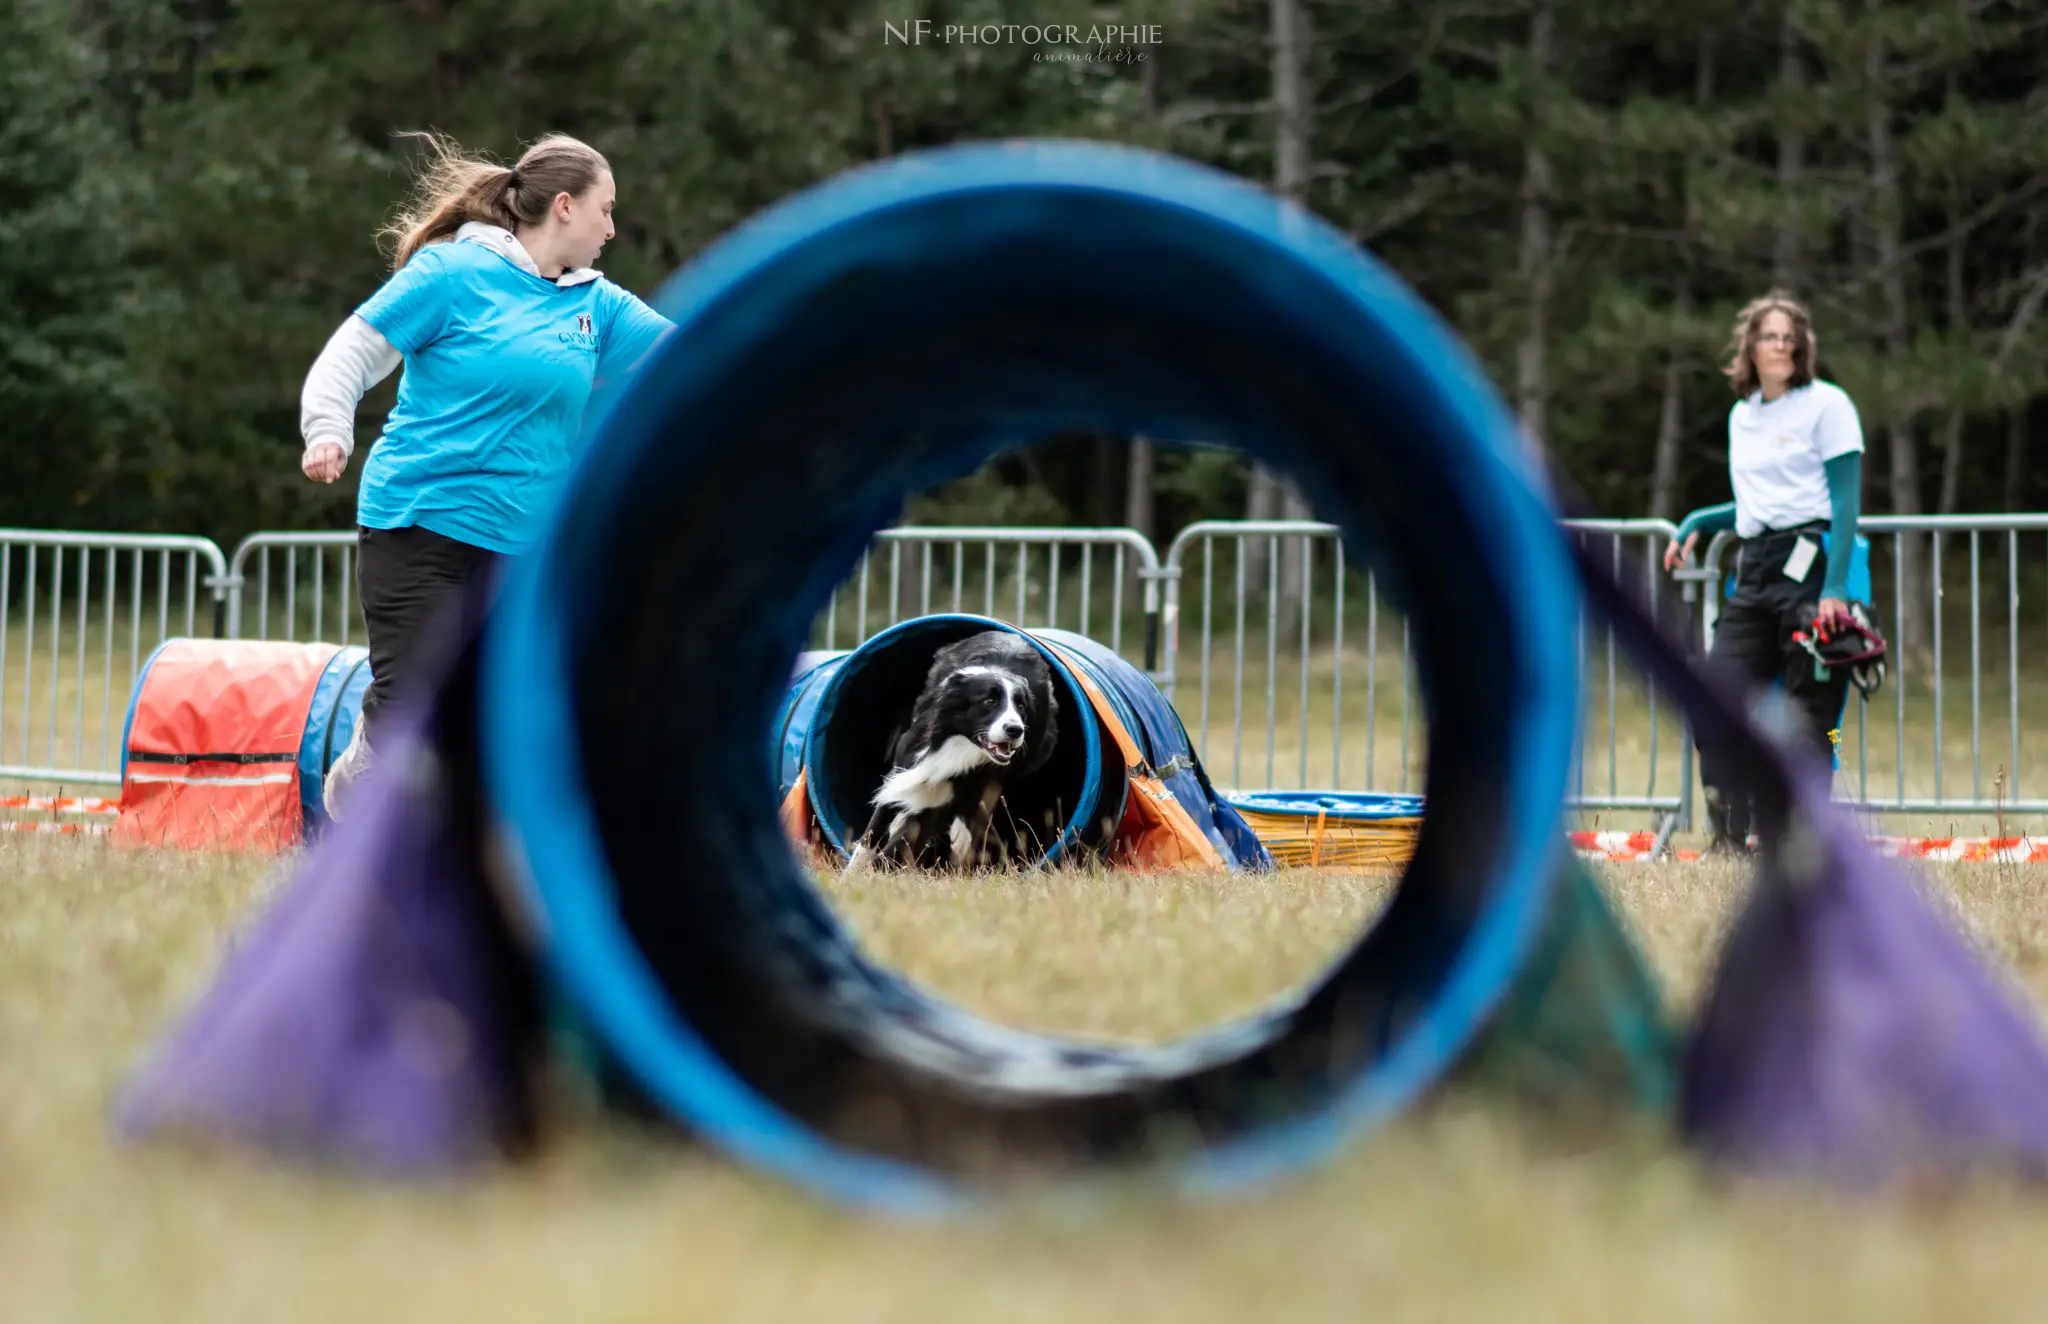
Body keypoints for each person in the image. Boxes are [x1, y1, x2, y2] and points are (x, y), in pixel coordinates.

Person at [299, 130, 673, 818]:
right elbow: (353, 351)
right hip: (419, 525)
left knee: (497, 716)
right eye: (606, 209)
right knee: (424, 715)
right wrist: (327, 428)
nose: (613, 228)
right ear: (565, 206)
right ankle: (369, 773)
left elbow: (694, 355)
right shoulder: (452, 274)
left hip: (523, 550)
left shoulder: (600, 307)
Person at [1663, 290, 1865, 854]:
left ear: (1802, 348)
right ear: (1750, 346)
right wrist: (1698, 520)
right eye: (1769, 336)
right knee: (1717, 704)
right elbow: (1756, 503)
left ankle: (1803, 844)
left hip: (1812, 566)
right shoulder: (1741, 416)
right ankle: (1730, 840)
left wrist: (1835, 589)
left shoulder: (1829, 405)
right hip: (1754, 570)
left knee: (1808, 717)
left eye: (1788, 338)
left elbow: (1844, 504)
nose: (1779, 346)